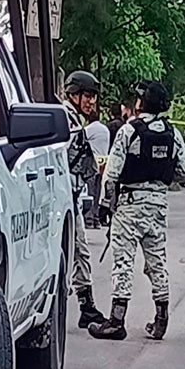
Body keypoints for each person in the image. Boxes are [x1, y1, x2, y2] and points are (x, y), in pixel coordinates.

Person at [88, 81, 185, 341]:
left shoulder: (129, 130)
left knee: (123, 262)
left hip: (130, 205)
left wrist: (104, 205)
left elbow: (111, 174)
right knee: (157, 262)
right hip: (158, 206)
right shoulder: (173, 133)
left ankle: (116, 321)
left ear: (142, 102)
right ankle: (161, 319)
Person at [63, 70, 107, 328]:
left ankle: (85, 305)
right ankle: (82, 305)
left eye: (93, 97)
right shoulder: (67, 120)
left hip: (72, 196)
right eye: (88, 96)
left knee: (79, 250)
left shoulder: (73, 120)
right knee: (76, 250)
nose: (92, 101)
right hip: (63, 198)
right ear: (74, 95)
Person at [84, 106, 111, 229]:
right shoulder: (105, 129)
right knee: (98, 191)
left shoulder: (89, 129)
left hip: (93, 162)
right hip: (103, 162)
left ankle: (89, 219)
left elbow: (81, 140)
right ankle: (96, 218)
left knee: (90, 191)